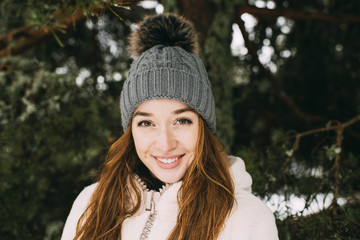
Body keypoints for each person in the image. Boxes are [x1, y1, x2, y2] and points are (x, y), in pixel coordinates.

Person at [61, 13, 278, 240]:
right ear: (130, 131)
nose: (165, 144)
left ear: (203, 126)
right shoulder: (90, 204)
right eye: (146, 123)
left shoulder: (246, 218)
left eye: (182, 121)